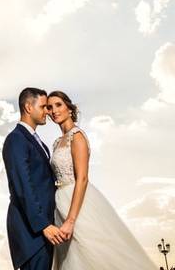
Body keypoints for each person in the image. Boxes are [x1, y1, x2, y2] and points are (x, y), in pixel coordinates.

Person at [46, 91, 157, 269]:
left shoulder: (77, 136)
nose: (54, 110)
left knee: (94, 253)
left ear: (69, 107)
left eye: (58, 105)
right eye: (50, 107)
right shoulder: (57, 142)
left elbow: (82, 178)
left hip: (76, 203)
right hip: (60, 204)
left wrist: (71, 220)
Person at [2, 87, 64, 270]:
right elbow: (23, 187)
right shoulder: (15, 139)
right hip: (31, 233)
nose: (48, 111)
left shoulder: (38, 141)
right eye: (44, 106)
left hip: (43, 230)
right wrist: (44, 225)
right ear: (29, 107)